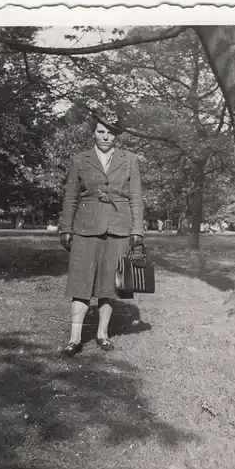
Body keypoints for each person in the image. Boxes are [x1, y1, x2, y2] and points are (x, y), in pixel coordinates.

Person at [59, 112, 144, 357]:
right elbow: (71, 197)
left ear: (117, 135)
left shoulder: (130, 160)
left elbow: (136, 198)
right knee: (80, 282)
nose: (106, 137)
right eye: (101, 132)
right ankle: (74, 338)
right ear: (93, 133)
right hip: (85, 227)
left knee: (110, 284)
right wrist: (66, 227)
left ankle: (102, 334)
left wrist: (137, 230)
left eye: (111, 133)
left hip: (119, 227)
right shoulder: (79, 159)